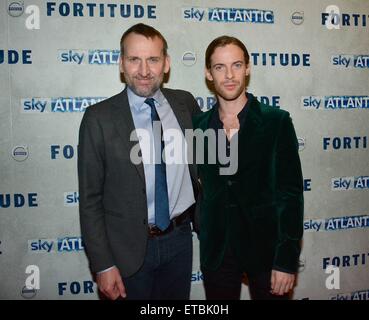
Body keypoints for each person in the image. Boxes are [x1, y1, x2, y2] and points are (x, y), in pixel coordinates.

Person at [78, 23, 200, 300]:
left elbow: (209, 161)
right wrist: (103, 264)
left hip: (180, 241)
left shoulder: (185, 104)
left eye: (153, 60)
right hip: (126, 250)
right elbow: (90, 199)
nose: (144, 71)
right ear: (121, 64)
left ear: (166, 64)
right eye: (134, 59)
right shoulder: (99, 118)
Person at [193, 36, 304, 300]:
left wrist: (286, 260)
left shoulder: (277, 122)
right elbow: (200, 188)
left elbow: (291, 196)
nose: (229, 75)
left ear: (248, 68)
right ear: (209, 73)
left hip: (267, 252)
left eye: (236, 65)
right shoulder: (198, 127)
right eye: (220, 67)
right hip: (218, 254)